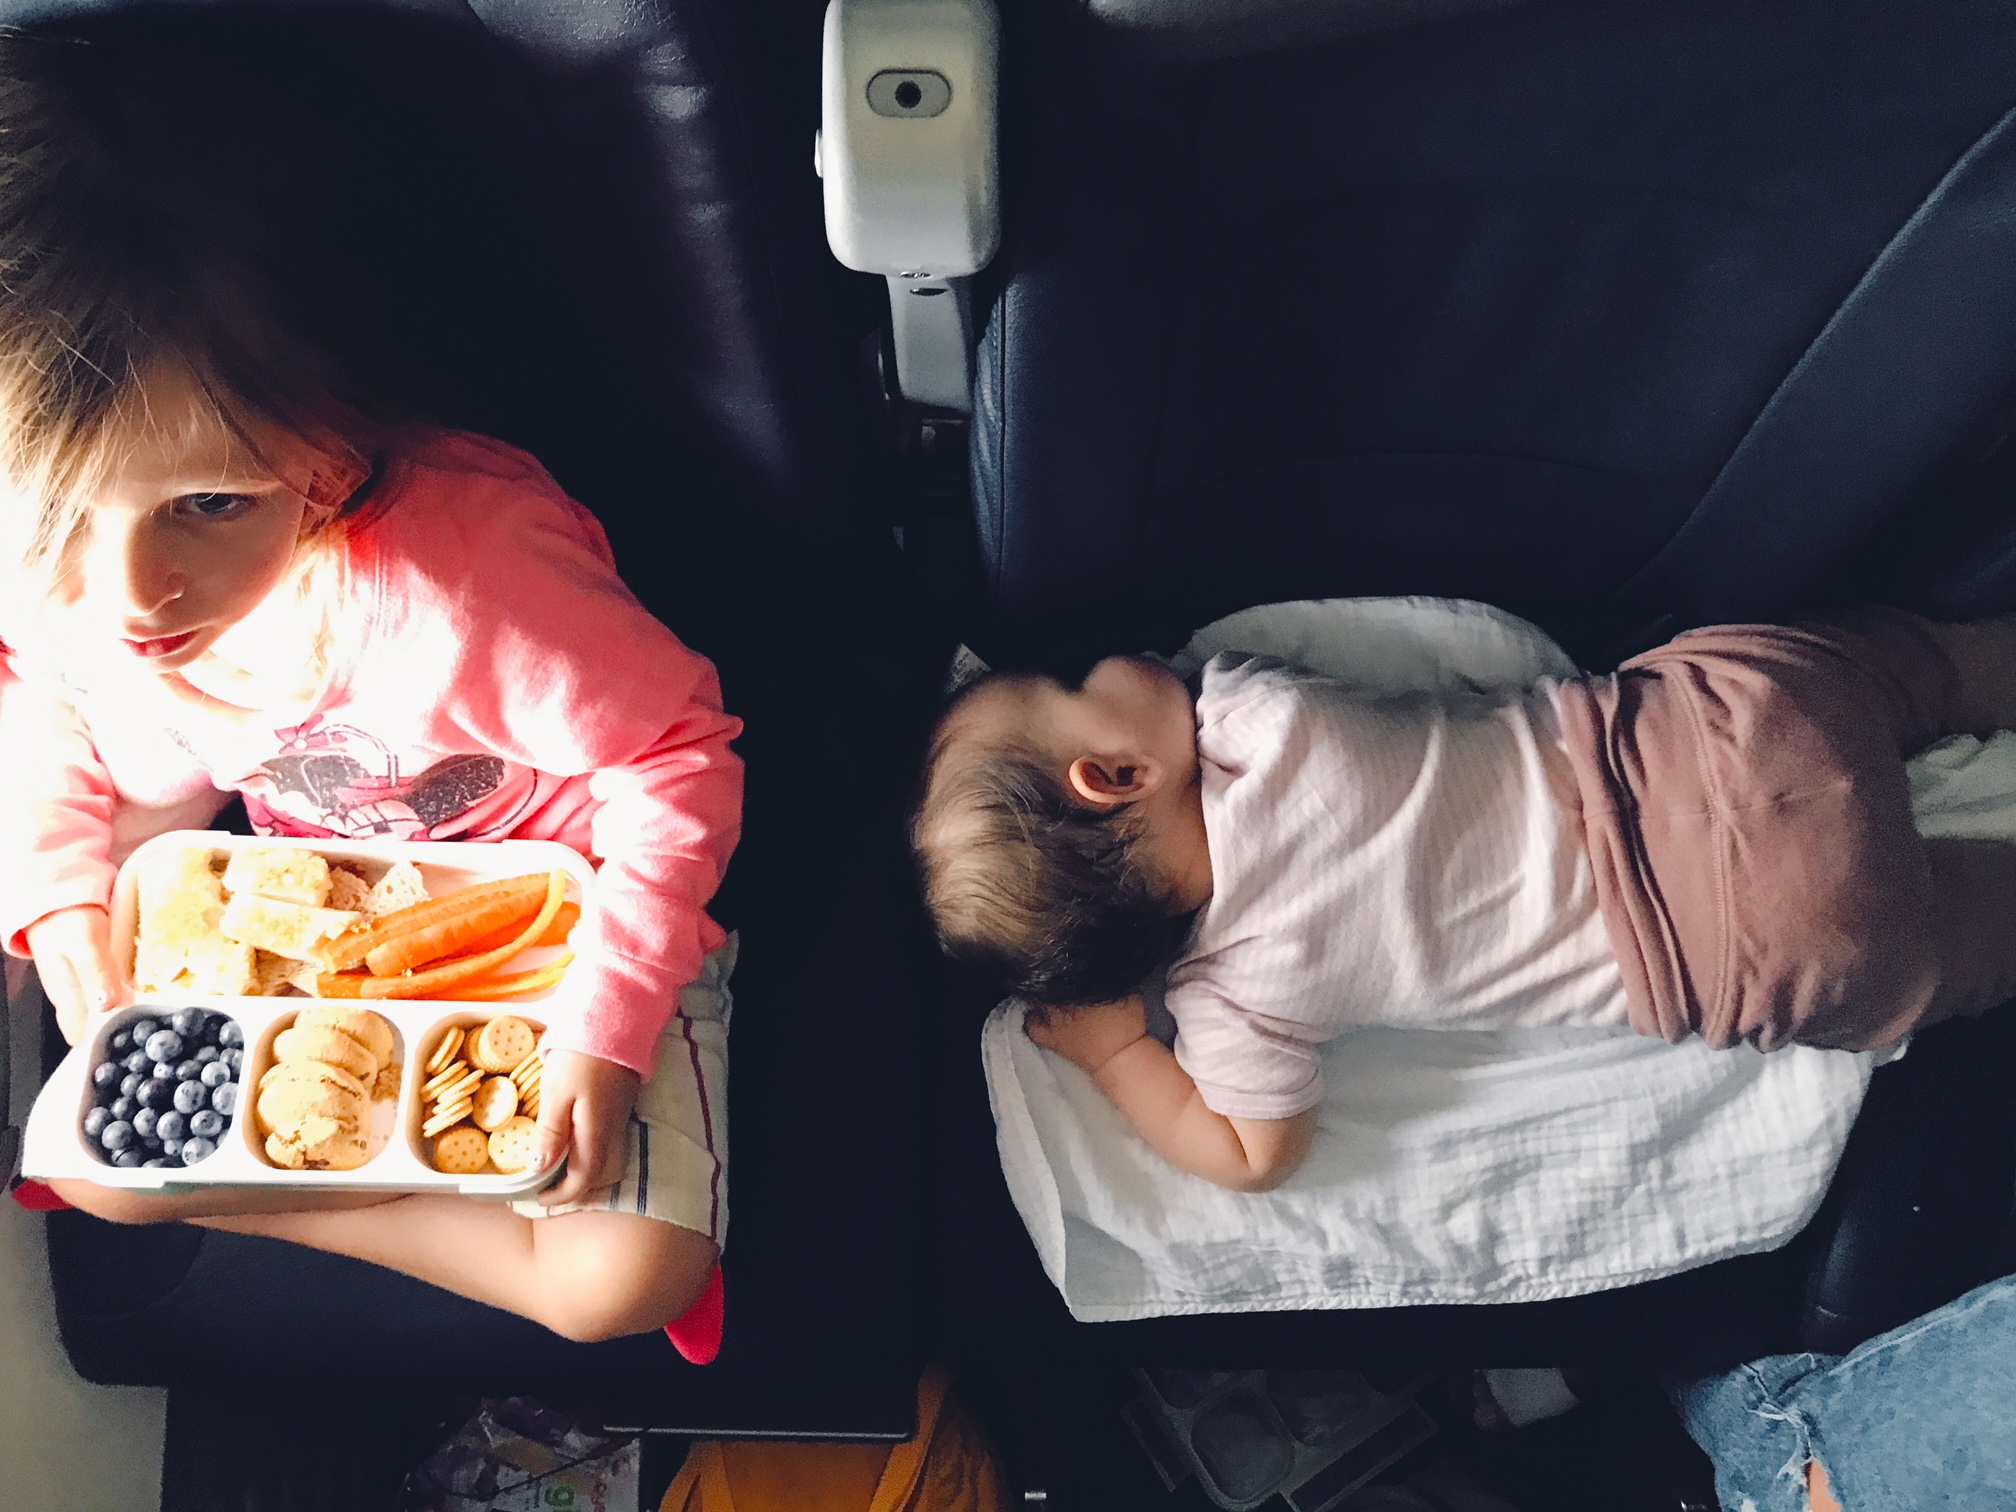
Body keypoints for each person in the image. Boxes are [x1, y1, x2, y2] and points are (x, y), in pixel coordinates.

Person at [0, 34, 742, 1344]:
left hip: (550, 906)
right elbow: (50, 705)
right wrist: (58, 902)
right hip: (296, 917)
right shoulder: (56, 587)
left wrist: (607, 1031)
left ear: (333, 452)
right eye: (56, 519)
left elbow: (675, 763)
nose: (133, 596)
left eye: (211, 505)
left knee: (618, 1293)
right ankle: (327, 1168)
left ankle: (319, 1175)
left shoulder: (468, 594)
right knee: (93, 1178)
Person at [912, 616, 2016, 1192]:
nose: (1111, 661)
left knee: (1974, 933)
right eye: (1075, 686)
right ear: (1114, 774)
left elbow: (1252, 1158)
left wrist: (1118, 1058)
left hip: (1763, 939)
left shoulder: (1241, 1000)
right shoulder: (1261, 716)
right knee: (1912, 668)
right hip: (1732, 733)